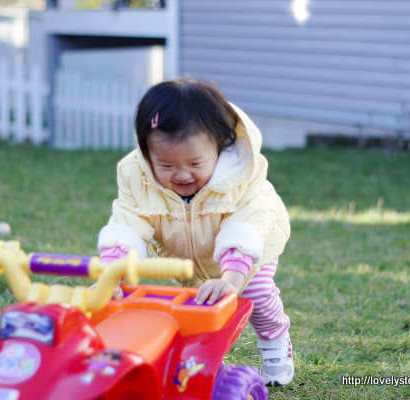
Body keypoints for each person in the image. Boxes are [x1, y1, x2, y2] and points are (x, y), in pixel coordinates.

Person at [96, 77, 293, 387]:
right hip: (187, 255)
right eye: (167, 165)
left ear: (221, 145)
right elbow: (127, 222)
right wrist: (113, 271)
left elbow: (247, 224)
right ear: (148, 155)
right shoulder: (138, 177)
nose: (182, 174)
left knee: (256, 294)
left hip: (248, 250)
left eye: (195, 162)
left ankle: (275, 339)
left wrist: (231, 279)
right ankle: (202, 359)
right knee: (194, 307)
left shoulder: (242, 178)